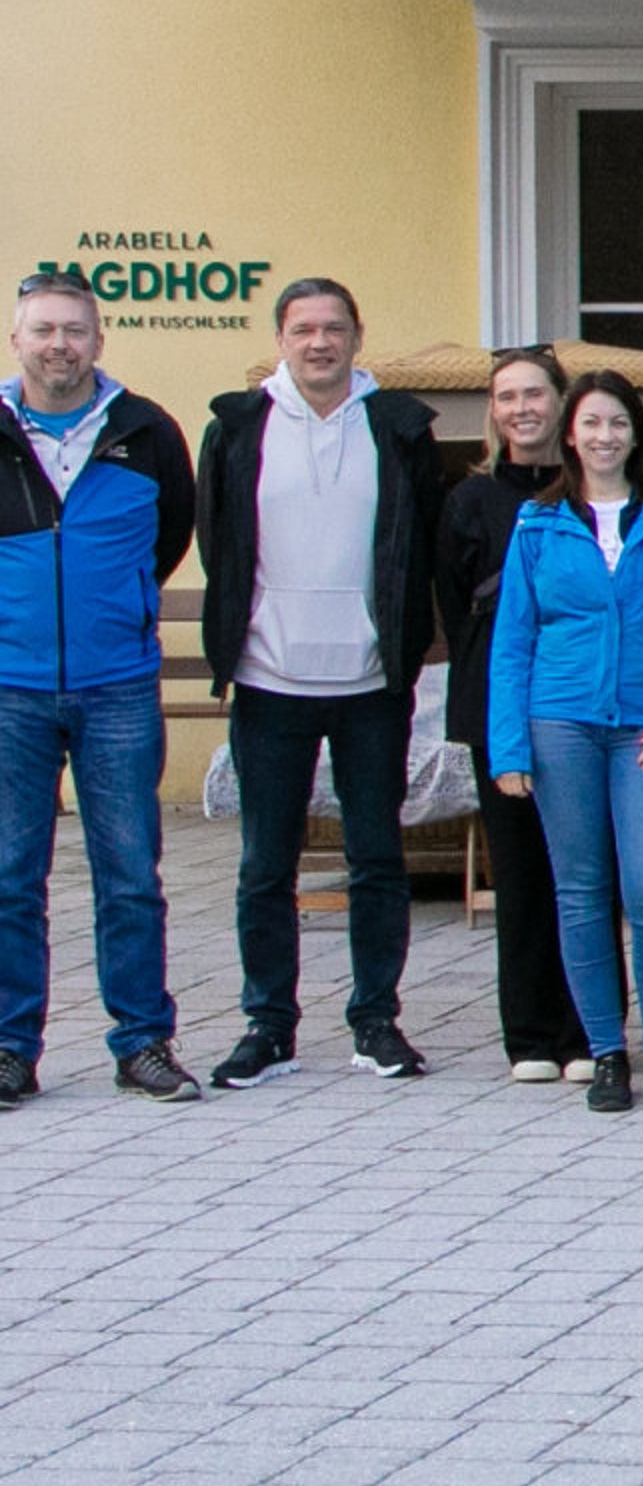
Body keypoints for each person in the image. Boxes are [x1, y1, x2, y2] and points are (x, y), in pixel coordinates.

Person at [197, 277, 445, 1093]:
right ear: (280, 338)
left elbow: (420, 543)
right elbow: (217, 541)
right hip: (269, 680)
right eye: (303, 329)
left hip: (370, 682)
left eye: (334, 328)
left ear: (356, 337)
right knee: (266, 866)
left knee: (376, 859)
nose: (319, 343)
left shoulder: (399, 428)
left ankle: (376, 1019)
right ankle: (268, 1026)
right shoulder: (238, 428)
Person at [485, 368, 643, 1115]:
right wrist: (508, 749)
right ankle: (605, 1052)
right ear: (570, 434)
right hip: (560, 723)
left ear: (637, 433)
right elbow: (512, 641)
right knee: (582, 893)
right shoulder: (537, 522)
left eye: (617, 422)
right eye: (590, 422)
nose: (604, 436)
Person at [0, 265, 198, 1105]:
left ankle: (142, 1042)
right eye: (44, 330)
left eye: (74, 330)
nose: (60, 345)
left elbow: (170, 536)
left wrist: (119, 610)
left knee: (130, 876)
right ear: (17, 339)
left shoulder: (145, 430)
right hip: (9, 689)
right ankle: (10, 1048)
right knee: (9, 877)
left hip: (117, 687)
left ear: (98, 339)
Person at [435, 347, 592, 1083]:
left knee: (586, 873)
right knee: (522, 873)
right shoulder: (470, 500)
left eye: (535, 394)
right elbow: (455, 604)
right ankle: (529, 1035)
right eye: (507, 397)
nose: (522, 408)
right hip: (498, 710)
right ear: (493, 413)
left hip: (581, 705)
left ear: (561, 403)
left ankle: (588, 1030)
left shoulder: (590, 492)